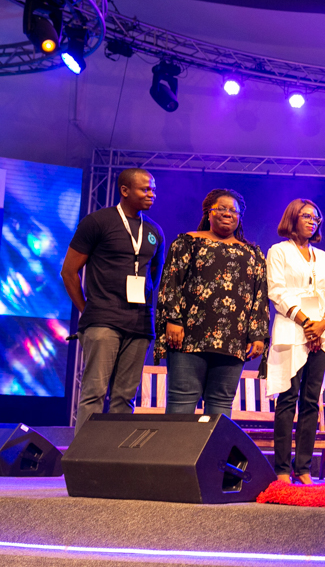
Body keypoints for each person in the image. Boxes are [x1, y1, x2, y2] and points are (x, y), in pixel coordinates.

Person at [62, 168, 165, 429]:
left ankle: (113, 454)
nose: (152, 194)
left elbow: (154, 278)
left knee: (125, 397)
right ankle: (84, 454)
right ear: (125, 190)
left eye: (153, 189)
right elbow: (69, 271)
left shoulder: (154, 231)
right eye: (145, 189)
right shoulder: (97, 222)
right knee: (94, 394)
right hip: (103, 320)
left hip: (140, 324)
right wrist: (87, 310)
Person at [154, 189, 269, 422]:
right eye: (221, 208)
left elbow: (259, 295)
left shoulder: (253, 253)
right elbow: (171, 282)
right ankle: (176, 447)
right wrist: (173, 320)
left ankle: (212, 448)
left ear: (240, 217)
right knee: (182, 398)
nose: (228, 213)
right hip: (188, 337)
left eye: (233, 210)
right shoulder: (188, 242)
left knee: (221, 402)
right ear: (208, 212)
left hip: (233, 340)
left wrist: (257, 335)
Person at [266, 198, 325, 485]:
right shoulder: (279, 251)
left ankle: (304, 468)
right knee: (288, 400)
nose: (312, 221)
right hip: (292, 331)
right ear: (293, 218)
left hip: (320, 334)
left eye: (316, 218)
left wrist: (322, 323)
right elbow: (277, 291)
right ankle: (282, 469)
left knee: (311, 402)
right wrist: (306, 322)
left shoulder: (322, 256)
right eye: (307, 216)